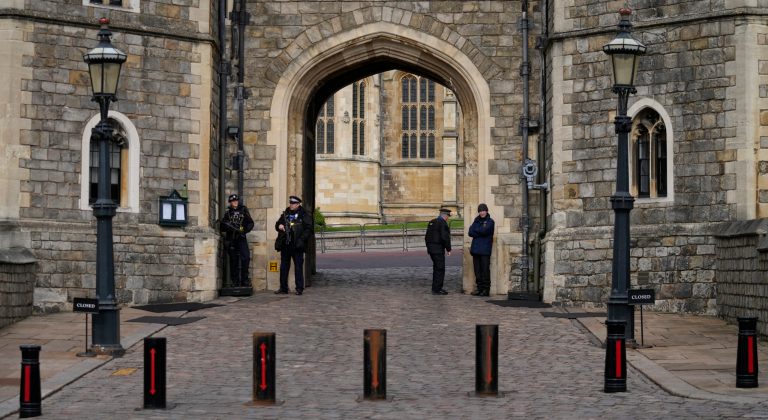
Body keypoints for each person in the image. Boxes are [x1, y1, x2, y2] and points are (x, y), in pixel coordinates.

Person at [275, 195, 313, 295]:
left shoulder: (303, 214)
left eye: (293, 203)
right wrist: (279, 225)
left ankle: (299, 288)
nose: (291, 205)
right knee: (284, 267)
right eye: (291, 203)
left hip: (297, 244)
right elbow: (277, 224)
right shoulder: (286, 213)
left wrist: (302, 240)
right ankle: (283, 288)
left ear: (298, 204)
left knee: (298, 267)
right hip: (286, 244)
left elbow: (308, 228)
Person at [220, 194, 254, 287]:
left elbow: (250, 223)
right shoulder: (228, 213)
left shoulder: (243, 210)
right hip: (232, 239)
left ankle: (244, 280)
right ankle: (235, 281)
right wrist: (230, 228)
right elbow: (222, 226)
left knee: (246, 258)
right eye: (233, 201)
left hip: (241, 238)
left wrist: (244, 231)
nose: (235, 202)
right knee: (233, 260)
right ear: (230, 202)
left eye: (236, 200)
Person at [468, 203, 495, 296]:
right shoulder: (476, 220)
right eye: (480, 211)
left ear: (486, 211)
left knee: (485, 270)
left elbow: (485, 231)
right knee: (477, 271)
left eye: (483, 211)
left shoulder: (490, 222)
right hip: (476, 250)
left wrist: (477, 231)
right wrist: (479, 231)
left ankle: (485, 290)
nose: (482, 213)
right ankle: (479, 288)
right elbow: (470, 232)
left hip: (485, 250)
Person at [425, 208, 452, 295]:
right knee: (440, 269)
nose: (448, 218)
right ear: (445, 215)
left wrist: (429, 247)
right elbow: (445, 237)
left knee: (436, 268)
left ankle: (435, 288)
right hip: (438, 249)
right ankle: (437, 289)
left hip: (431, 249)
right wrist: (448, 249)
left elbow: (427, 236)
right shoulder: (442, 223)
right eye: (448, 216)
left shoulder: (432, 222)